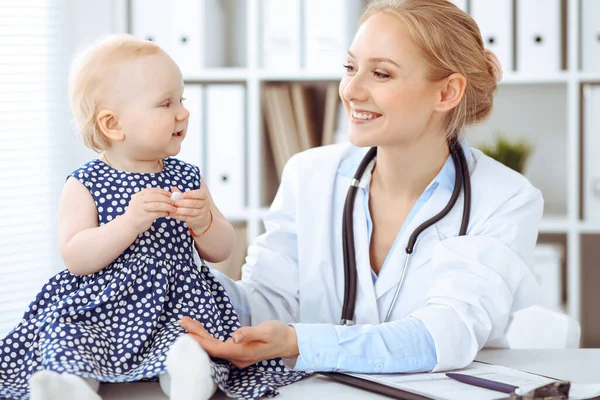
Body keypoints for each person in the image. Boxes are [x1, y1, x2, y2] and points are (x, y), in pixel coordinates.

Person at [180, 0, 544, 375]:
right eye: (350, 67)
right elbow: (265, 304)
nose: (351, 90)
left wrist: (302, 343)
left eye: (381, 74)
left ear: (447, 93)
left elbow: (446, 334)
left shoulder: (506, 199)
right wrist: (177, 268)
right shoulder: (309, 175)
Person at [0, 34, 305, 400]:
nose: (183, 112)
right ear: (113, 124)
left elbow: (223, 249)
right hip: (102, 306)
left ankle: (189, 378)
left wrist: (204, 222)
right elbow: (76, 257)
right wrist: (127, 223)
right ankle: (71, 386)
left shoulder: (187, 176)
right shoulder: (85, 182)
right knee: (69, 333)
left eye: (182, 99)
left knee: (190, 339)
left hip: (176, 302)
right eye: (165, 103)